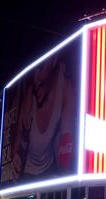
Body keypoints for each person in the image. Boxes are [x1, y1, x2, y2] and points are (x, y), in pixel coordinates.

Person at [10, 54, 76, 182]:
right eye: (34, 72)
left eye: (40, 69)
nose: (36, 79)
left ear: (53, 61)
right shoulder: (30, 96)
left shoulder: (65, 88)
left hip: (49, 169)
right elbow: (17, 140)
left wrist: (67, 180)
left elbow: (66, 140)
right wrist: (15, 158)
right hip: (27, 172)